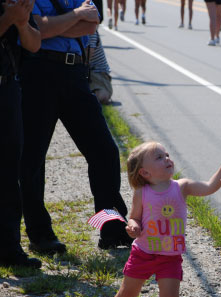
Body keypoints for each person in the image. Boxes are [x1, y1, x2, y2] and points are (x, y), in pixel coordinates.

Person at [93, 142, 221, 297]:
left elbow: (208, 187)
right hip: (142, 253)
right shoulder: (142, 192)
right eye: (159, 157)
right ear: (145, 172)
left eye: (166, 155)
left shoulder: (182, 186)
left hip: (169, 257)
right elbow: (134, 217)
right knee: (128, 292)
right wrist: (133, 226)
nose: (167, 158)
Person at [20, 0, 132, 255]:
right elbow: (35, 27)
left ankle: (111, 230)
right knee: (32, 161)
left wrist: (57, 25)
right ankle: (41, 235)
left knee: (104, 152)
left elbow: (91, 26)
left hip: (76, 73)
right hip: (37, 70)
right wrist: (77, 16)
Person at [0, 0, 42, 269]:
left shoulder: (15, 3)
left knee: (8, 171)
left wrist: (22, 22)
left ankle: (9, 249)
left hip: (7, 90)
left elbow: (34, 43)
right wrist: (9, 17)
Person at [89, 28, 113, 104]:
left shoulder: (89, 30)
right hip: (85, 72)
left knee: (102, 95)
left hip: (97, 73)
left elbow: (86, 58)